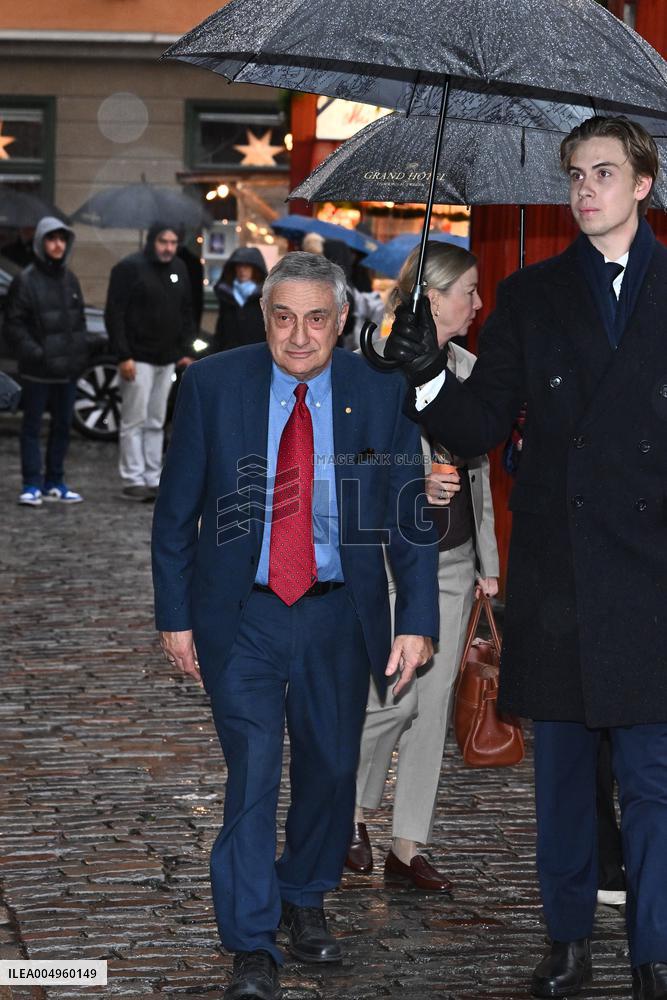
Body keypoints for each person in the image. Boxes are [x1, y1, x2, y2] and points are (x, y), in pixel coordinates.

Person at [384, 115, 667, 1000]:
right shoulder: (533, 295)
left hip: (655, 574)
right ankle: (569, 942)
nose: (585, 189)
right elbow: (470, 427)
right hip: (561, 578)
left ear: (643, 185)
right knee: (562, 783)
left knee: (654, 782)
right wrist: (425, 370)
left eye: (604, 173)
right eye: (575, 175)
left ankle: (654, 951)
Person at [152, 251, 439, 1000]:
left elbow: (406, 512)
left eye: (317, 319)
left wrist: (416, 617)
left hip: (336, 615)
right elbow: (175, 511)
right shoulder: (214, 385)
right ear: (264, 318)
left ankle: (303, 895)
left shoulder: (380, 393)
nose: (300, 335)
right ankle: (250, 942)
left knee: (330, 769)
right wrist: (174, 616)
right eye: (284, 318)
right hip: (239, 616)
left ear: (342, 321)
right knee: (252, 773)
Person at [347, 242, 499, 889]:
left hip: (457, 559)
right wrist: (413, 486)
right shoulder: (375, 369)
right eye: (466, 289)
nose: (476, 302)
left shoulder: (468, 367)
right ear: (430, 296)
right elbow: (351, 468)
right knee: (389, 700)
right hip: (390, 563)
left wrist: (488, 565)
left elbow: (481, 477)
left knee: (433, 708)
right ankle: (345, 814)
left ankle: (408, 845)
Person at [104, 223, 195, 502]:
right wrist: (123, 354)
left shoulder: (179, 268)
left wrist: (184, 348)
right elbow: (115, 313)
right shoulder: (129, 268)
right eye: (163, 241)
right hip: (137, 357)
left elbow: (185, 310)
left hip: (166, 357)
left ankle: (153, 476)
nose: (168, 247)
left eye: (173, 242)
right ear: (151, 241)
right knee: (134, 418)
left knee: (156, 419)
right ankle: (133, 477)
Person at [5, 217, 90, 506]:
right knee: (32, 428)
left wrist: (77, 354)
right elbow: (14, 325)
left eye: (62, 239)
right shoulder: (26, 280)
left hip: (66, 371)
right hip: (38, 372)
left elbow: (77, 321)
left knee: (63, 427)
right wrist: (38, 354)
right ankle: (31, 483)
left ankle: (55, 480)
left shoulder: (70, 278)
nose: (57, 245)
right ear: (41, 242)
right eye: (52, 239)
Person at [210, 246, 267, 352]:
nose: (242, 270)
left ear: (255, 269)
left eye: (247, 266)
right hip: (229, 353)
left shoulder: (266, 296)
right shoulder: (226, 293)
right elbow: (221, 328)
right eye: (239, 266)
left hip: (257, 353)